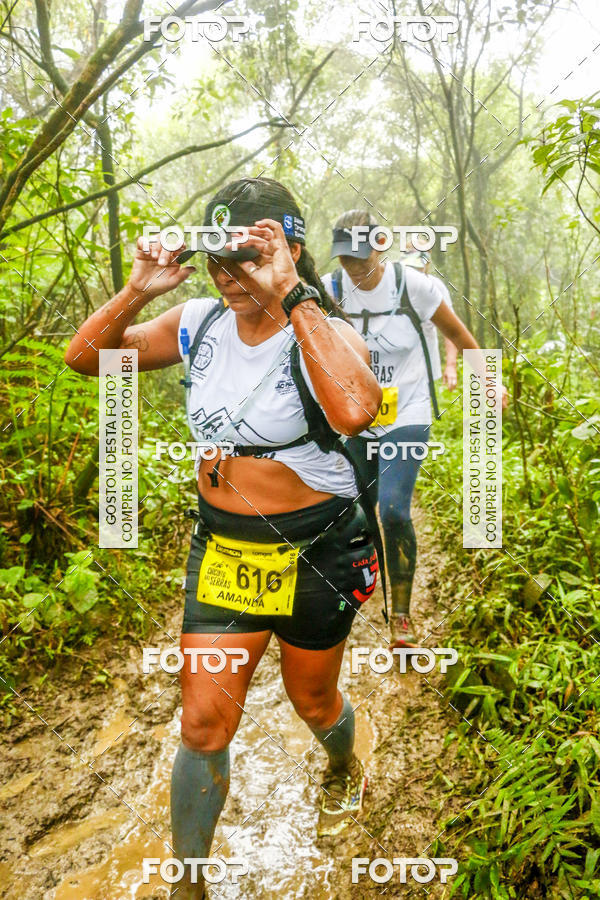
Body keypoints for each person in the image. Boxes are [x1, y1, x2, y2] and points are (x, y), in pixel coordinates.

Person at [65, 178, 384, 898]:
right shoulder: (197, 323)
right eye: (216, 260)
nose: (228, 276)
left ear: (291, 250)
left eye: (244, 257)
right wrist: (140, 290)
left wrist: (293, 295)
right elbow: (86, 358)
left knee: (313, 703)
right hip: (225, 551)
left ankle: (341, 762)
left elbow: (356, 408)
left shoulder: (323, 330)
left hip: (317, 552)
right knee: (204, 721)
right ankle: (189, 882)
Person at [324, 210, 506, 650]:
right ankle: (366, 581)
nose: (353, 266)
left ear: (381, 247)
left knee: (394, 511)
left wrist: (489, 381)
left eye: (360, 256)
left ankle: (400, 615)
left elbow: (462, 338)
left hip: (407, 410)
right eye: (345, 257)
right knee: (361, 511)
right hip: (356, 415)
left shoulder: (415, 287)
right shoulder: (329, 290)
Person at [400, 244, 459, 392]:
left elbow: (451, 330)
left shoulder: (436, 287)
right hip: (396, 369)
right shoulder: (394, 284)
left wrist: (451, 365)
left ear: (427, 263)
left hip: (424, 369)